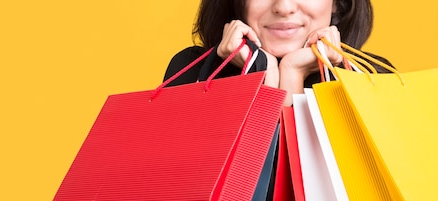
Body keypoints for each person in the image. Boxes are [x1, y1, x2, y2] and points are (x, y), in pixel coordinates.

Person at [163, 0, 392, 105]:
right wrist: (265, 76)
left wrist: (293, 73)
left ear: (338, 3)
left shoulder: (373, 80)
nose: (283, 7)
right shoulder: (191, 73)